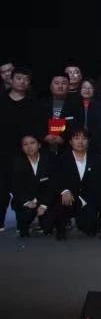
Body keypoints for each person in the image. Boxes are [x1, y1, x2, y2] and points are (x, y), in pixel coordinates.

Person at [0, 67, 39, 231]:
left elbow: (37, 127)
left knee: (23, 188)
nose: (22, 82)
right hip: (2, 150)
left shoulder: (33, 102)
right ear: (11, 79)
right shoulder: (2, 99)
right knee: (1, 187)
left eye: (26, 79)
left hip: (25, 151)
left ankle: (23, 222)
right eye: (19, 78)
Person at [52, 128, 101, 239]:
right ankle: (61, 227)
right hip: (70, 196)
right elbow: (56, 179)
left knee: (90, 229)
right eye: (76, 138)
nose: (80, 142)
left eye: (84, 139)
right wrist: (64, 191)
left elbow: (98, 182)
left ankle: (84, 221)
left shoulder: (96, 159)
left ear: (88, 141)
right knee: (61, 202)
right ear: (70, 142)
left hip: (88, 198)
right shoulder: (62, 159)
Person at [11, 135, 54, 237]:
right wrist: (27, 202)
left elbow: (52, 186)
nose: (29, 146)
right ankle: (23, 224)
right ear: (22, 148)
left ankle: (43, 222)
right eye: (25, 144)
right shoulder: (17, 162)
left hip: (44, 199)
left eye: (32, 143)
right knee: (26, 218)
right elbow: (15, 187)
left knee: (48, 229)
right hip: (25, 200)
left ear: (39, 145)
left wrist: (43, 205)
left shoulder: (49, 160)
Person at [37, 73, 83, 155]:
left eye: (64, 83)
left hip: (68, 149)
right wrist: (44, 136)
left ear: (68, 87)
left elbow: (78, 126)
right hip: (43, 149)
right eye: (57, 83)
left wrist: (63, 138)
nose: (60, 86)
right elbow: (35, 124)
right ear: (51, 87)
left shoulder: (76, 105)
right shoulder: (40, 104)